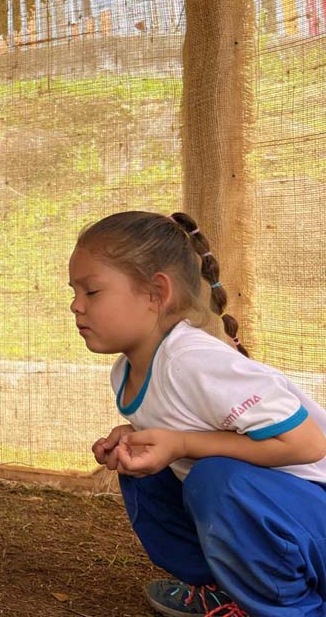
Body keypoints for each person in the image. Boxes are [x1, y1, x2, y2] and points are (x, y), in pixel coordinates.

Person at [70, 210, 326, 617]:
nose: (75, 306)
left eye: (92, 292)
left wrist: (182, 442)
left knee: (216, 478)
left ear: (156, 293)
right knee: (146, 468)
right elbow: (181, 433)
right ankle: (223, 591)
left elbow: (308, 442)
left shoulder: (194, 359)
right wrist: (145, 438)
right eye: (74, 292)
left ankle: (293, 608)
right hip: (287, 525)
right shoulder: (125, 372)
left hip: (314, 518)